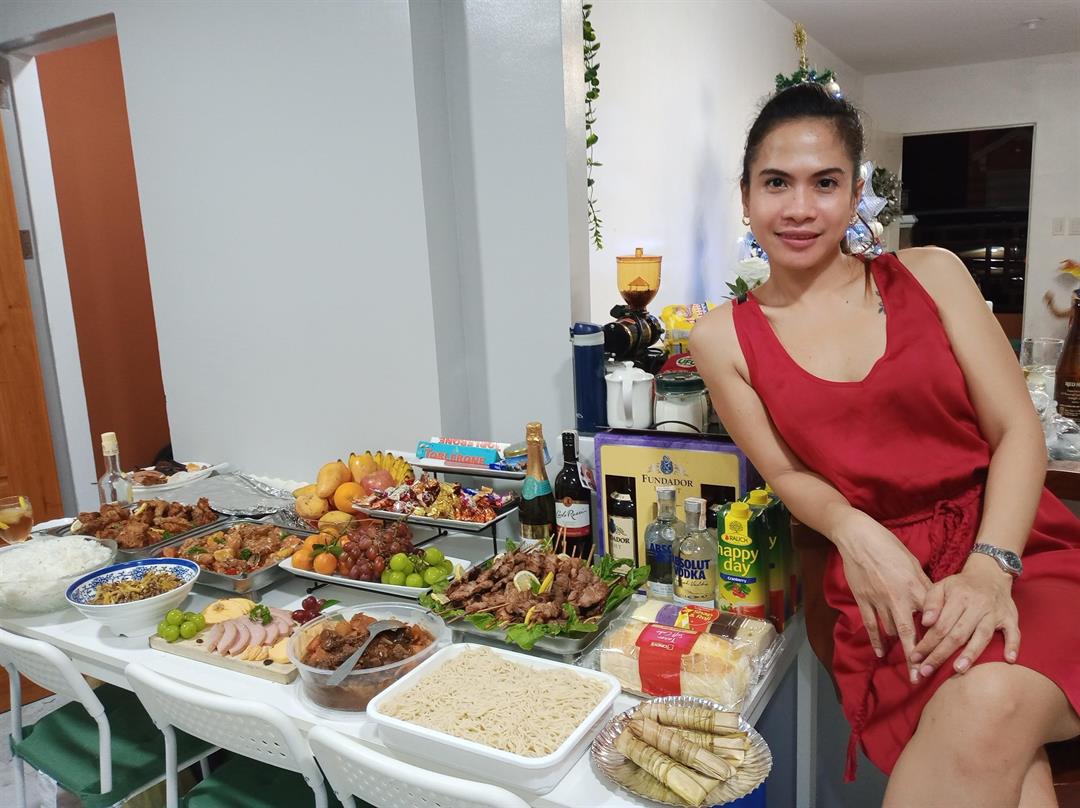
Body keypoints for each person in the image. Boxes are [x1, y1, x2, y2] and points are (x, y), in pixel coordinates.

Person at [690, 83, 1080, 807]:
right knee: (1005, 762)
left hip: (1014, 548)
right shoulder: (720, 338)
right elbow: (785, 475)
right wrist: (851, 529)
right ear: (745, 197)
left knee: (986, 702)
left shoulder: (933, 274)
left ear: (854, 196)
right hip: (887, 587)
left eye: (825, 183)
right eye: (776, 182)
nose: (800, 207)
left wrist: (991, 568)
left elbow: (1016, 431)